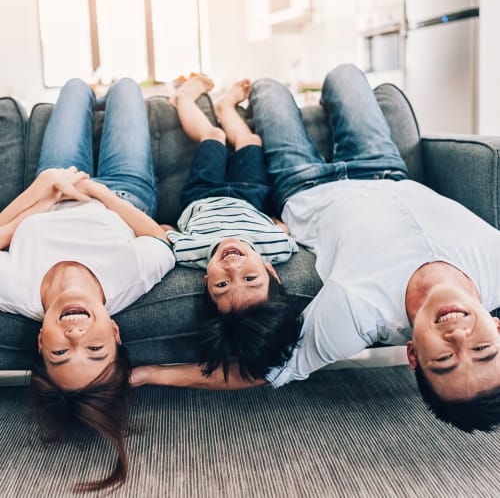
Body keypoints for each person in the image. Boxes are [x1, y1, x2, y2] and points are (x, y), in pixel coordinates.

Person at [131, 64, 500, 433]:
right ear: (496, 328)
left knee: (269, 87)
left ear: (413, 355)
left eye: (444, 359)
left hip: (304, 183)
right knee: (346, 75)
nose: (458, 338)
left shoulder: (356, 313)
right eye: (483, 350)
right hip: (382, 167)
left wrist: (153, 374)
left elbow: (265, 370)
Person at [0, 78, 175, 491]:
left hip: (56, 181)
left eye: (62, 352)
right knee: (127, 89)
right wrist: (100, 192)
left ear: (41, 342)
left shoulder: (17, 291)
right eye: (95, 349)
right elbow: (161, 241)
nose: (76, 335)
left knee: (76, 88)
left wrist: (37, 195)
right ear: (114, 332)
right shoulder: (127, 282)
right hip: (122, 192)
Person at [164, 75, 301, 380]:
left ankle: (183, 99)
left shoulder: (189, 252)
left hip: (203, 195)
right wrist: (281, 226)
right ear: (270, 270)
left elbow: (162, 233)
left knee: (213, 136)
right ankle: (226, 106)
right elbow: (286, 231)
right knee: (250, 142)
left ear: (205, 283)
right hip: (250, 196)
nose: (233, 267)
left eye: (222, 285)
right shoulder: (278, 248)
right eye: (250, 278)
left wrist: (163, 229)